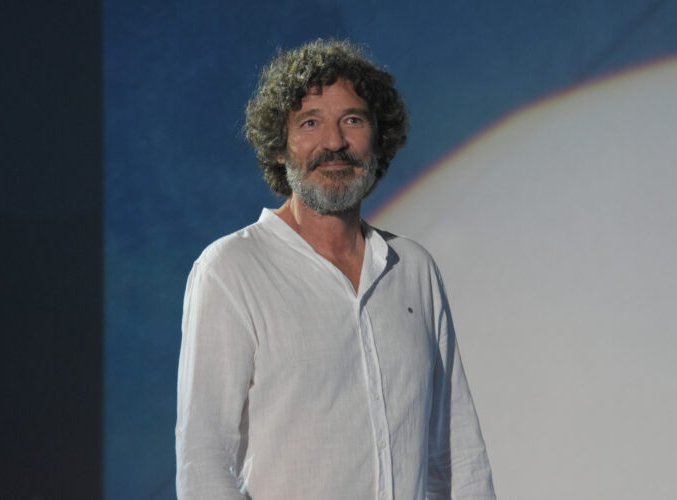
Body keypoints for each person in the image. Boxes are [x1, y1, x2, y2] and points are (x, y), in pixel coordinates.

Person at [176, 39, 495, 500]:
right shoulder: (230, 271)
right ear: (280, 147)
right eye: (310, 122)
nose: (334, 143)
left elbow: (456, 456)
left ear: (378, 139)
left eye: (353, 120)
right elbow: (204, 462)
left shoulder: (413, 270)